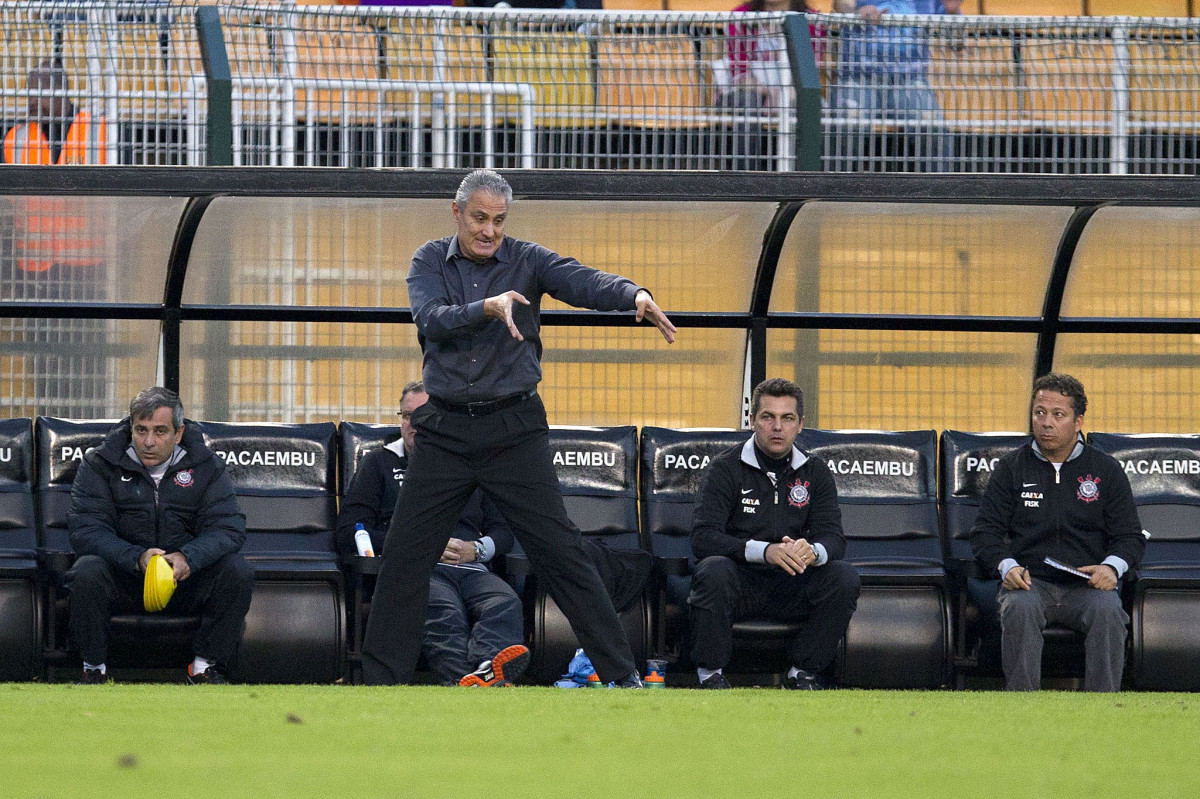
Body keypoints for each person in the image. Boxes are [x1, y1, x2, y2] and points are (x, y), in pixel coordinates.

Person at [361, 168, 676, 688]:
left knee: (563, 555)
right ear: (456, 212)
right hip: (444, 428)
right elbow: (431, 319)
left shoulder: (529, 259)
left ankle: (623, 676)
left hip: (514, 428)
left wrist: (633, 294)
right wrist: (487, 307)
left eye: (499, 222)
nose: (489, 231)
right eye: (480, 219)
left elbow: (581, 279)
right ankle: (379, 683)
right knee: (404, 557)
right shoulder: (427, 260)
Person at [337, 380, 529, 687]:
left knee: (504, 602)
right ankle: (461, 684)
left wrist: (476, 550)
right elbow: (350, 532)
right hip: (417, 569)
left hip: (471, 565)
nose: (414, 425)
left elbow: (505, 532)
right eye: (406, 416)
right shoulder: (379, 464)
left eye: (423, 415)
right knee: (445, 611)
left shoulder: (472, 465)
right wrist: (419, 547)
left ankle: (486, 672)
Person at [970, 373, 1145, 692]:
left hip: (1088, 587)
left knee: (1108, 612)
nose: (1046, 423)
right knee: (1019, 607)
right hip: (1030, 583)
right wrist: (1007, 567)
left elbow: (1130, 536)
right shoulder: (1012, 468)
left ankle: (1102, 711)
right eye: (1039, 413)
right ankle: (1022, 708)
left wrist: (1112, 567)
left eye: (1057, 415)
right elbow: (985, 534)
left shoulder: (1105, 469)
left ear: (1078, 421)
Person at [66, 387, 254, 684]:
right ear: (131, 428)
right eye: (140, 430)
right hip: (126, 578)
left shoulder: (206, 467)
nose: (148, 441)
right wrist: (136, 557)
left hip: (184, 580)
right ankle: (93, 669)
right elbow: (86, 531)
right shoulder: (99, 464)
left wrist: (187, 558)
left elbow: (228, 528)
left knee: (236, 570)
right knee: (86, 571)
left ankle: (204, 667)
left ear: (179, 433)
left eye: (160, 431)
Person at [688, 377, 861, 689]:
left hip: (793, 582)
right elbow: (703, 538)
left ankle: (801, 674)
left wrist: (814, 551)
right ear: (752, 421)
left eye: (787, 418)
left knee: (843, 576)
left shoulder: (816, 471)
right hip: (740, 583)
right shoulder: (725, 468)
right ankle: (710, 675)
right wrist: (765, 551)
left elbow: (834, 538)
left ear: (800, 424)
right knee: (712, 570)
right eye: (768, 417)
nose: (777, 427)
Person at [830, 0, 960, 172]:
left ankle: (941, 191)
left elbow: (957, 44)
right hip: (857, 77)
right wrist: (856, 11)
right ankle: (834, 188)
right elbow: (840, 4)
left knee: (932, 127)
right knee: (847, 122)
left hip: (910, 80)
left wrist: (953, 11)